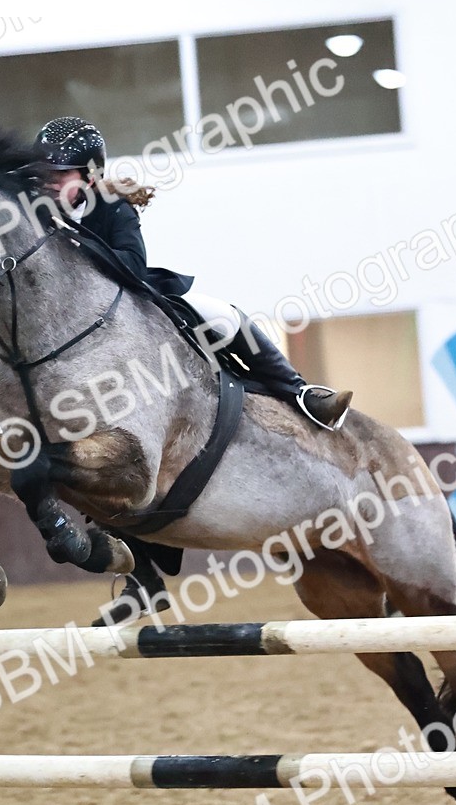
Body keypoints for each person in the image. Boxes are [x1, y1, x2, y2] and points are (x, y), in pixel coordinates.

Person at [28, 117, 352, 617]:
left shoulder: (110, 208)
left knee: (224, 315)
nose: (50, 184)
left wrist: (75, 239)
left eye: (60, 174)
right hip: (80, 347)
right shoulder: (36, 218)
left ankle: (300, 391)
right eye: (46, 176)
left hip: (137, 308)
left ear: (90, 175)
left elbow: (132, 269)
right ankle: (141, 579)